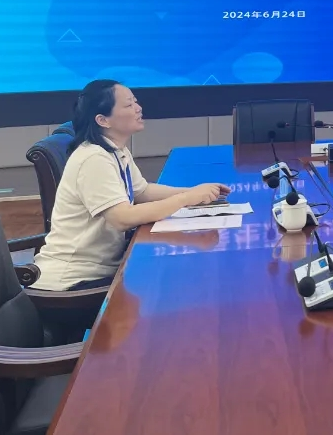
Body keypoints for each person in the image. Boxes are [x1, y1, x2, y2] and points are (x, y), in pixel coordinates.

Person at [33, 80, 230, 333]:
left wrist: (194, 192)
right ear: (103, 120)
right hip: (71, 288)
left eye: (135, 101)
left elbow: (142, 191)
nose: (138, 108)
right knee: (167, 303)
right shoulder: (93, 158)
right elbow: (122, 218)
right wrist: (186, 199)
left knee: (171, 288)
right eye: (128, 105)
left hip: (100, 274)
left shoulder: (114, 150)